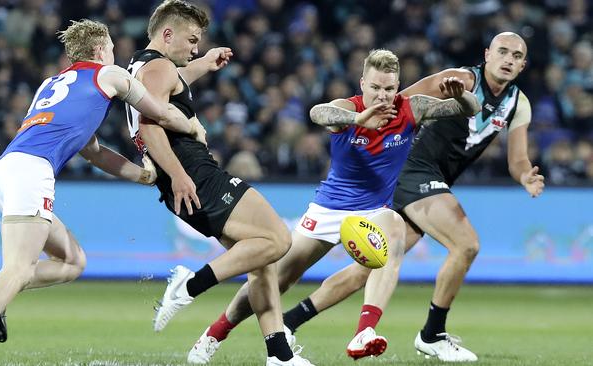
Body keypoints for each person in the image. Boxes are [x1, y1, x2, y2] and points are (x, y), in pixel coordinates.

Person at [231, 32, 544, 363]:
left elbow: (517, 159)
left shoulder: (518, 103)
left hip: (433, 182)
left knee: (371, 266)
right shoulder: (461, 79)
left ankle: (290, 322)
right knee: (466, 244)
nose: (508, 59)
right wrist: (366, 141)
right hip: (413, 170)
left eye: (517, 55)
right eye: (503, 51)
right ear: (487, 54)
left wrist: (525, 175)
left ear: (523, 65)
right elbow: (399, 102)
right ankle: (432, 334)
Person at [187, 49, 481, 364]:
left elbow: (469, 108)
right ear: (363, 83)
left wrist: (462, 97)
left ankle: (365, 332)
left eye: (389, 88)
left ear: (397, 87)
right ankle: (214, 334)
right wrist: (358, 119)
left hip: (373, 211)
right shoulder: (346, 109)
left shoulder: (412, 108)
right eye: (375, 88)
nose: (382, 95)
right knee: (279, 277)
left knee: (394, 231)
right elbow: (318, 113)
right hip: (329, 209)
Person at [0, 19, 200, 366]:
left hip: (7, 171)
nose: (115, 53)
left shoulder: (51, 83)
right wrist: (193, 127)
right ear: (99, 51)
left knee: (73, 261)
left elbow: (93, 152)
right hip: (31, 171)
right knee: (18, 268)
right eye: (110, 47)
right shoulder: (110, 76)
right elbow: (158, 110)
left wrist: (143, 176)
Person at [124, 1, 318, 365]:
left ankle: (279, 354)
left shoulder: (142, 66)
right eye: (192, 40)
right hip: (194, 174)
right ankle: (188, 286)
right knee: (278, 239)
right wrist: (180, 175)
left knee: (261, 263)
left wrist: (203, 64)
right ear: (168, 35)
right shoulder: (160, 67)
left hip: (181, 178)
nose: (195, 48)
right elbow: (151, 126)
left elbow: (169, 91)